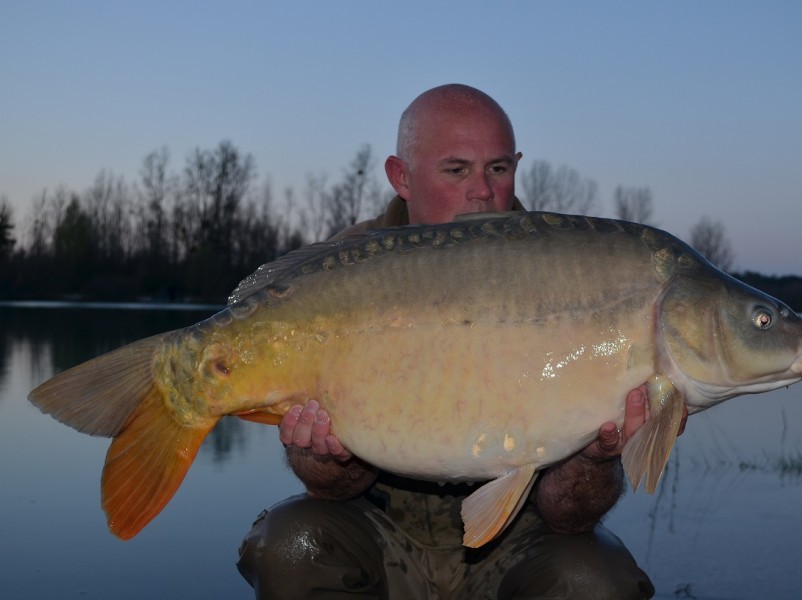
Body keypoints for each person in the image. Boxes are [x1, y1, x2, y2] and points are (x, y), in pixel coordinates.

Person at [237, 84, 684, 599]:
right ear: (401, 177)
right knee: (288, 543)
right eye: (456, 170)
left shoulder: (571, 274)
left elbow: (569, 514)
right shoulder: (343, 272)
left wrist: (595, 455)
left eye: (498, 168)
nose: (482, 191)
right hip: (381, 535)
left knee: (595, 579)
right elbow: (326, 486)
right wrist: (329, 452)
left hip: (517, 544)